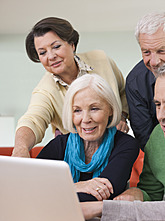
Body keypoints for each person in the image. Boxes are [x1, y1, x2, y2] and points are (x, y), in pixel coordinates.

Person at [12, 17, 129, 158]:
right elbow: (32, 120)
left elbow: (123, 91)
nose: (51, 56)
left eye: (56, 47)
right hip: (77, 156)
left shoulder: (101, 59)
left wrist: (122, 116)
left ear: (72, 45)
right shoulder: (45, 90)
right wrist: (20, 148)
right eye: (42, 52)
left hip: (114, 148)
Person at [81, 67, 165, 221]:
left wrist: (103, 208)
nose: (161, 116)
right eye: (158, 104)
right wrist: (136, 195)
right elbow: (151, 192)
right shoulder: (158, 136)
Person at [37, 73, 139, 202]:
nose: (85, 119)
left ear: (111, 109)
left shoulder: (126, 145)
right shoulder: (59, 145)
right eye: (77, 110)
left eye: (94, 108)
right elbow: (31, 186)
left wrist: (54, 191)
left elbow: (102, 192)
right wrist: (78, 186)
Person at [126, 12, 165, 151]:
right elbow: (146, 140)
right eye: (146, 52)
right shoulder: (135, 83)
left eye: (161, 51)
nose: (154, 62)